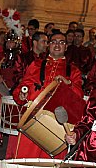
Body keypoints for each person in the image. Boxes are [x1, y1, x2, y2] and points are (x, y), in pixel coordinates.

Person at [11, 31, 84, 159]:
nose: (57, 45)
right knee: (26, 160)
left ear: (66, 47)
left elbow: (78, 97)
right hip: (33, 119)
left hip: (57, 124)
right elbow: (22, 88)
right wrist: (21, 96)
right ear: (48, 45)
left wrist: (68, 83)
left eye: (61, 42)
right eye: (54, 42)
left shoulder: (73, 70)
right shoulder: (36, 65)